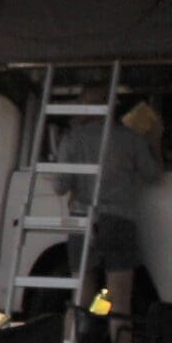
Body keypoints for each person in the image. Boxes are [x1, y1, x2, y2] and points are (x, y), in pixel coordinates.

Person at [55, 96, 163, 328]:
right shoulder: (130, 138)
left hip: (81, 221)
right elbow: (153, 175)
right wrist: (155, 141)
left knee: (80, 299)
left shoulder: (72, 139)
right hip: (118, 221)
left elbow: (59, 186)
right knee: (119, 301)